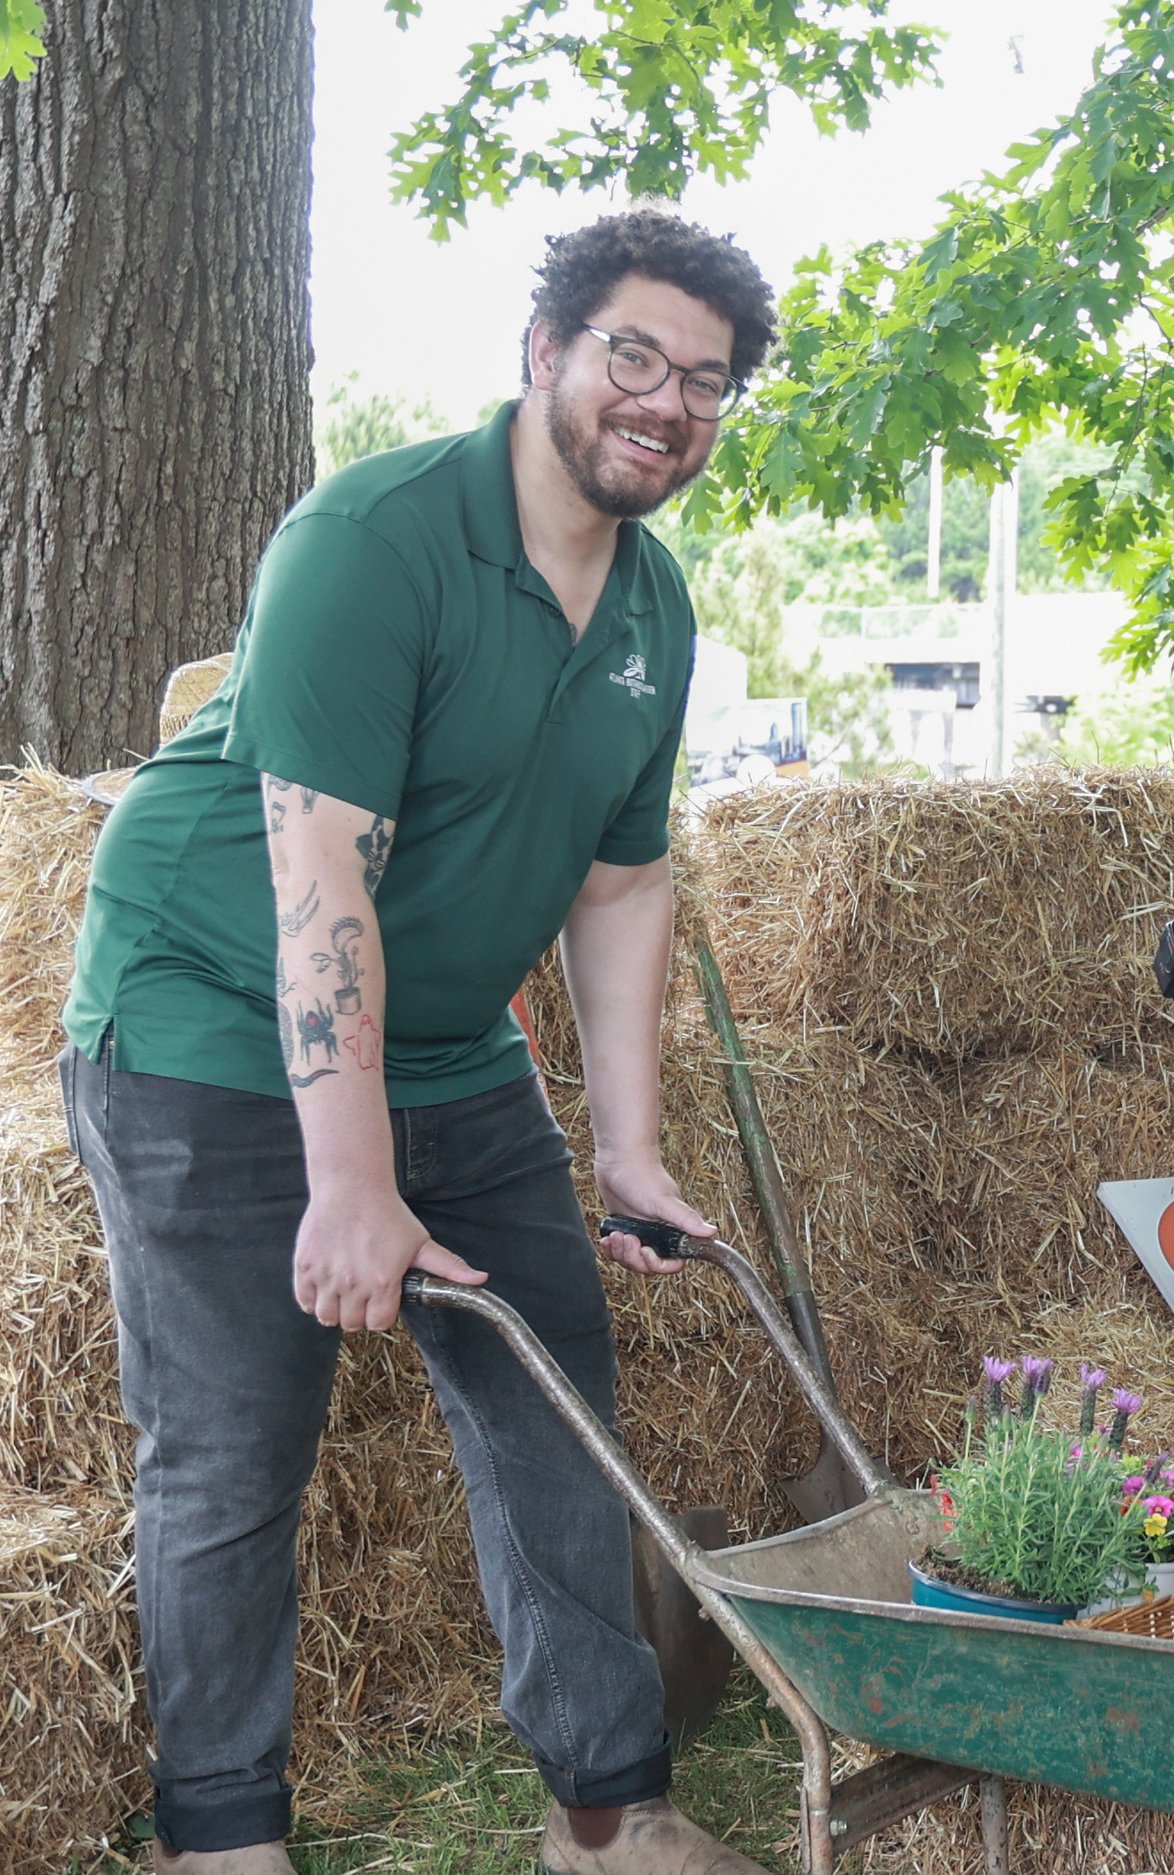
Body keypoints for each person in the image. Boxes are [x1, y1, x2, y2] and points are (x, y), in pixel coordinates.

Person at [58, 210, 777, 1875]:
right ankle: (219, 1839)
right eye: (634, 356)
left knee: (555, 1410)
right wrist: (353, 1179)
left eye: (707, 383)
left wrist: (627, 1152)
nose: (666, 403)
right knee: (235, 1448)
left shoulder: (654, 613)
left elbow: (620, 882)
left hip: (452, 1041)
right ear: (544, 353)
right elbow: (319, 878)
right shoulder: (371, 540)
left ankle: (606, 1815)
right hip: (208, 1020)